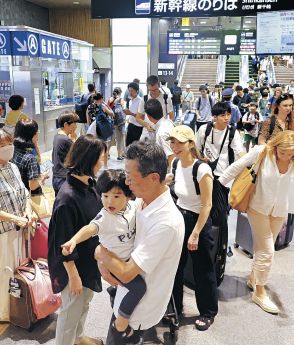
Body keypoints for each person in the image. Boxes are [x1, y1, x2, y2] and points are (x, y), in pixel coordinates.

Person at [95, 141, 185, 345]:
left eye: (130, 177)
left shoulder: (166, 222)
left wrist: (101, 252)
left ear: (154, 178)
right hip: (126, 293)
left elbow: (127, 272)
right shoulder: (141, 202)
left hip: (137, 311)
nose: (126, 182)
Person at [61, 169, 146, 345]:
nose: (109, 202)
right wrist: (74, 240)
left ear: (128, 196)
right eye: (105, 196)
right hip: (117, 267)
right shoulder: (105, 217)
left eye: (116, 196)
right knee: (139, 287)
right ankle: (121, 324)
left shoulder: (133, 206)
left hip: (130, 260)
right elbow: (90, 229)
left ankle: (116, 296)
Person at [219, 131, 294, 314]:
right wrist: (218, 187)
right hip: (258, 207)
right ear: (276, 146)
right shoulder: (262, 152)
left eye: (290, 153)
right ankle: (259, 292)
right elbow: (236, 167)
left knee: (263, 248)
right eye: (282, 152)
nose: (285, 156)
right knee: (268, 250)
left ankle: (254, 278)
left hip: (280, 210)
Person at [48, 135, 106, 345]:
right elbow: (62, 241)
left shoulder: (89, 184)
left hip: (88, 260)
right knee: (70, 311)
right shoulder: (67, 197)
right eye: (101, 157)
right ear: (89, 159)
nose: (103, 162)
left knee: (84, 304)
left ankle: (78, 338)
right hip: (73, 266)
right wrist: (73, 275)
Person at [168, 125, 217, 331]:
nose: (175, 146)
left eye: (180, 142)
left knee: (202, 269)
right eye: (172, 141)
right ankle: (175, 308)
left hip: (199, 221)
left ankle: (207, 312)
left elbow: (207, 205)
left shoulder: (202, 169)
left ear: (190, 144)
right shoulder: (175, 163)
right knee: (175, 267)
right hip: (180, 218)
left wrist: (196, 233)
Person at [0, 129, 35, 322]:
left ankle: (17, 307)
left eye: (9, 144)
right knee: (3, 272)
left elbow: (25, 193)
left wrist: (28, 211)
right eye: (2, 146)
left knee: (16, 270)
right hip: (3, 232)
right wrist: (15, 219)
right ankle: (4, 312)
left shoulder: (12, 167)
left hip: (19, 230)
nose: (8, 149)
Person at [12, 119, 49, 195]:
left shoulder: (14, 148)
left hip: (19, 191)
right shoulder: (30, 158)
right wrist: (43, 177)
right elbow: (33, 186)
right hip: (31, 195)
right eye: (36, 132)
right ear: (33, 135)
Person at [136, 75, 174, 142]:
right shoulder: (144, 99)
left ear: (158, 85)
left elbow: (171, 116)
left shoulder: (166, 98)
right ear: (147, 87)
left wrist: (166, 127)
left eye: (155, 89)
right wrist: (146, 125)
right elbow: (138, 117)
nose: (153, 92)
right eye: (151, 90)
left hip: (162, 132)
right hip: (147, 133)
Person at [52, 111, 79, 196]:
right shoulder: (65, 140)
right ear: (66, 125)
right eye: (74, 123)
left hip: (57, 176)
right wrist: (74, 139)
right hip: (64, 178)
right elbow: (78, 154)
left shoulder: (57, 136)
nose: (76, 126)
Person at [144, 98, 175, 169]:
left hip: (168, 167)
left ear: (148, 116)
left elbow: (171, 156)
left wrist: (170, 177)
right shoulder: (168, 122)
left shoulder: (162, 133)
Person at [87, 92, 114, 168]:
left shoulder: (89, 107)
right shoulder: (103, 106)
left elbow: (88, 120)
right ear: (101, 98)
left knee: (93, 148)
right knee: (104, 148)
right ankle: (105, 166)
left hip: (93, 129)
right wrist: (108, 107)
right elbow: (112, 114)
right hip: (102, 130)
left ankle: (93, 166)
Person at [108, 87, 126, 160]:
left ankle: (106, 153)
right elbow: (123, 111)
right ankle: (119, 155)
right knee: (120, 139)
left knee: (110, 139)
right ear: (120, 92)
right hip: (119, 122)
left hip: (111, 121)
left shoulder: (110, 100)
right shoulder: (121, 100)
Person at [124, 82, 143, 147]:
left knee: (136, 147)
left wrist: (130, 113)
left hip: (138, 127)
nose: (130, 92)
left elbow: (142, 116)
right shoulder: (130, 100)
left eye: (132, 91)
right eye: (129, 91)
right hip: (130, 125)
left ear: (137, 91)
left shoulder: (140, 101)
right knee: (128, 145)